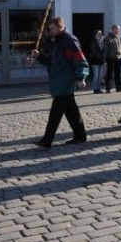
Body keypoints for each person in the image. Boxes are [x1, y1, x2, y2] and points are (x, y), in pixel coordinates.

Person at [30, 17, 90, 148]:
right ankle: (80, 135)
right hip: (59, 80)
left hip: (65, 81)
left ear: (60, 27)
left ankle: (47, 140)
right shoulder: (58, 41)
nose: (50, 31)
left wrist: (81, 77)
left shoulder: (69, 41)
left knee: (55, 112)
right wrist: (39, 56)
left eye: (52, 29)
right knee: (71, 111)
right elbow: (52, 62)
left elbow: (80, 61)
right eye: (50, 29)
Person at [102, 24, 121, 93]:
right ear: (113, 30)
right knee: (109, 73)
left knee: (118, 73)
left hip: (119, 58)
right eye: (117, 29)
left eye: (119, 29)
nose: (118, 30)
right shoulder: (107, 38)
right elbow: (106, 49)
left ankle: (119, 88)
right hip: (110, 58)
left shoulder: (120, 37)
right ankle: (108, 88)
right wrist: (104, 58)